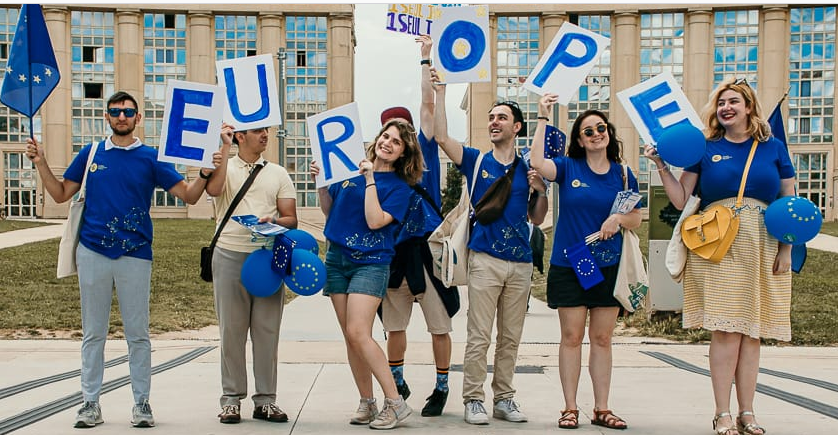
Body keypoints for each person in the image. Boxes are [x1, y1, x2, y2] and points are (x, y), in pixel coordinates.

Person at [25, 91, 219, 429]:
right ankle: (89, 403)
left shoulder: (151, 158)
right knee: (93, 333)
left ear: (138, 118)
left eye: (128, 111)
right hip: (93, 251)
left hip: (135, 255)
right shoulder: (92, 154)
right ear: (107, 117)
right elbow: (59, 194)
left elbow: (188, 196)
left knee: (138, 334)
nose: (122, 117)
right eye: (115, 111)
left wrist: (203, 174)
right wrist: (41, 161)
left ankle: (142, 403)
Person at [644, 77, 795, 435]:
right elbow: (682, 200)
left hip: (763, 242)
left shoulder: (772, 147)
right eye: (721, 102)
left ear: (749, 107)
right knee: (726, 331)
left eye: (734, 102)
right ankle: (722, 412)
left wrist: (787, 248)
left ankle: (748, 412)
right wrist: (662, 165)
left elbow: (789, 201)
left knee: (752, 333)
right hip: (718, 245)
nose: (726, 108)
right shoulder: (705, 148)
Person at [432, 73, 548, 426]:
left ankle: (505, 398)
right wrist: (441, 92)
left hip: (521, 263)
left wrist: (541, 190)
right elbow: (441, 136)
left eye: (501, 118)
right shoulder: (476, 161)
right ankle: (473, 398)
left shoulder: (530, 167)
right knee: (479, 335)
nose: (494, 122)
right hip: (485, 259)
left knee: (511, 337)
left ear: (517, 127)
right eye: (491, 117)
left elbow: (537, 218)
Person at [529, 94, 641, 430]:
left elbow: (636, 217)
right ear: (579, 139)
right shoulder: (567, 167)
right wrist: (543, 116)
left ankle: (602, 408)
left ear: (608, 133)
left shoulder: (623, 174)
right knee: (572, 337)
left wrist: (618, 220)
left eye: (600, 128)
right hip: (571, 262)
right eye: (588, 131)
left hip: (608, 265)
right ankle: (570, 407)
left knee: (603, 339)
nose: (595, 134)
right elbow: (537, 162)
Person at [309, 119, 424, 430]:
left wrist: (370, 178)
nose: (388, 143)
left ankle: (396, 403)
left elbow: (375, 221)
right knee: (351, 337)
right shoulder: (347, 171)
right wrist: (321, 183)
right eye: (385, 136)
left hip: (371, 263)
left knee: (360, 332)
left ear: (403, 153)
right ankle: (367, 402)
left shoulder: (401, 189)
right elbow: (331, 212)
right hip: (337, 259)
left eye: (396, 142)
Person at [380, 34, 455, 418]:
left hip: (427, 252)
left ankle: (442, 387)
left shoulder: (424, 156)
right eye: (388, 132)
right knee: (395, 327)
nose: (394, 138)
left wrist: (424, 59)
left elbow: (427, 105)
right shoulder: (380, 171)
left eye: (401, 131)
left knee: (439, 326)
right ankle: (399, 381)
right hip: (394, 257)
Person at [204, 126, 298, 424]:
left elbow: (291, 218)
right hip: (229, 254)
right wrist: (225, 148)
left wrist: (274, 220)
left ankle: (266, 400)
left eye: (266, 131)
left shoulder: (278, 173)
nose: (265, 136)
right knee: (231, 332)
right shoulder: (225, 166)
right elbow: (214, 191)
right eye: (257, 131)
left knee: (267, 331)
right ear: (240, 136)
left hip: (268, 258)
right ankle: (231, 400)